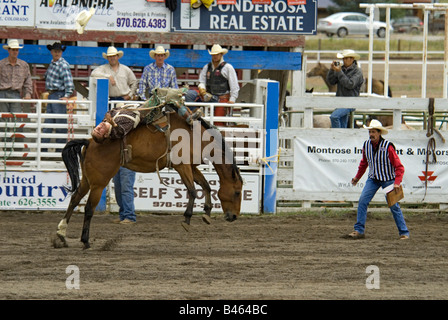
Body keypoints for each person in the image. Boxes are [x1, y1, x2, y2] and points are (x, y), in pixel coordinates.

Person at [90, 46, 139, 225]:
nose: (112, 58)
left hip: (121, 101)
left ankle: (129, 215)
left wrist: (130, 95)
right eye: (109, 56)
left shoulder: (125, 71)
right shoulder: (103, 70)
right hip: (115, 102)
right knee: (120, 185)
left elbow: (134, 83)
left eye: (114, 56)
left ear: (117, 57)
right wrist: (106, 78)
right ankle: (125, 215)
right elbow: (93, 75)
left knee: (124, 184)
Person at [347, 119, 410, 240]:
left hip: (388, 179)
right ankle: (359, 230)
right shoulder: (366, 145)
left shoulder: (388, 147)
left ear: (379, 133)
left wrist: (397, 183)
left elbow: (399, 167)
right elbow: (364, 163)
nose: (371, 134)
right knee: (362, 201)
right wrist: (357, 177)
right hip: (373, 178)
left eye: (373, 132)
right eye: (370, 132)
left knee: (394, 206)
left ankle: (404, 232)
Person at [185, 44, 239, 126]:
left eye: (217, 54)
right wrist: (202, 89)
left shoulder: (228, 67)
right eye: (214, 55)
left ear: (221, 55)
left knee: (218, 122)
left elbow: (234, 85)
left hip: (221, 98)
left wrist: (232, 99)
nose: (215, 56)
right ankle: (195, 112)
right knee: (189, 94)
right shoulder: (207, 67)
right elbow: (202, 81)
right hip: (209, 95)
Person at [42, 42, 74, 152]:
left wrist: (67, 95)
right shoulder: (53, 63)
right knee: (48, 124)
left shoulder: (63, 65)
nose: (57, 53)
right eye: (55, 51)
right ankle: (44, 151)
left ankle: (58, 151)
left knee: (58, 124)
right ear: (51, 52)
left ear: (61, 52)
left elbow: (69, 83)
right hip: (52, 94)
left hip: (58, 94)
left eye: (58, 51)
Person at [0, 39, 33, 140]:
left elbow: (28, 81)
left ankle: (17, 149)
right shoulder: (1, 64)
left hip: (16, 94)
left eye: (16, 50)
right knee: (2, 122)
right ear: (9, 50)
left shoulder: (24, 65)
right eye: (13, 49)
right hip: (2, 94)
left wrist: (28, 94)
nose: (15, 52)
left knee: (17, 121)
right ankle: (4, 147)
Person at [326, 49, 364, 128]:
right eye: (344, 58)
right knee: (343, 124)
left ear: (352, 59)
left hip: (350, 102)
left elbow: (350, 84)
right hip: (341, 101)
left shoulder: (357, 71)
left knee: (334, 117)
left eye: (346, 58)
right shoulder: (342, 69)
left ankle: (337, 136)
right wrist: (332, 70)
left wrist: (339, 72)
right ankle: (341, 138)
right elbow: (331, 81)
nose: (344, 60)